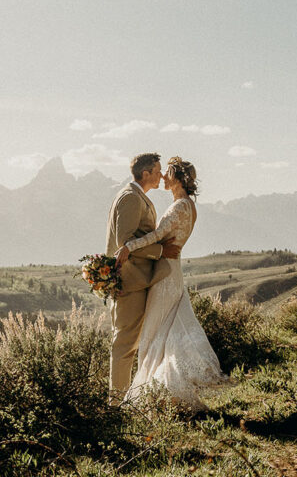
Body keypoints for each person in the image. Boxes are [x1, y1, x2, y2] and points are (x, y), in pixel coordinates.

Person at [115, 156, 225, 408]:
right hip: (171, 271)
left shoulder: (179, 207)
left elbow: (156, 236)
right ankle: (164, 393)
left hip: (164, 274)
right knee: (163, 334)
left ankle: (147, 395)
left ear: (178, 178)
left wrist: (128, 247)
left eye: (167, 173)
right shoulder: (187, 205)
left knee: (153, 334)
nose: (163, 177)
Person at [105, 152, 180, 405]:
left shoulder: (137, 197)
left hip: (137, 280)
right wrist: (161, 251)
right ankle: (116, 405)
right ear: (145, 173)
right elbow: (123, 244)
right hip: (130, 281)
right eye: (157, 170)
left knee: (129, 342)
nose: (161, 175)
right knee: (125, 343)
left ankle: (126, 400)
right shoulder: (130, 198)